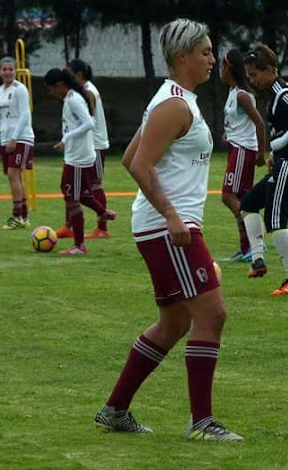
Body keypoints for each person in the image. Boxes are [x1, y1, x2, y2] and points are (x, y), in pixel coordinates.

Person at [94, 19, 243, 442]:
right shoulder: (174, 105)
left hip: (164, 225)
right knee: (212, 314)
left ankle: (115, 410)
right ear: (183, 57)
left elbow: (127, 157)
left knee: (174, 323)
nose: (213, 59)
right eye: (206, 52)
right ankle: (202, 423)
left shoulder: (176, 101)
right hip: (169, 227)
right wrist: (173, 215)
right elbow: (139, 165)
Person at [241, 45, 288, 296]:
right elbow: (283, 127)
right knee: (249, 203)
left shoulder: (282, 91)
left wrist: (280, 145)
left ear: (271, 70)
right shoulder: (273, 94)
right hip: (286, 160)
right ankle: (258, 260)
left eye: (254, 75)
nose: (252, 81)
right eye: (248, 76)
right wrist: (274, 153)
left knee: (275, 220)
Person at [44, 68, 116, 256]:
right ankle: (103, 212)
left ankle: (79, 246)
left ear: (59, 85)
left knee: (71, 198)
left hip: (78, 157)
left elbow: (89, 123)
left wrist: (66, 139)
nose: (52, 94)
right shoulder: (70, 98)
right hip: (77, 155)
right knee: (82, 193)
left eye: (52, 89)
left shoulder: (74, 99)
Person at [219, 48, 266, 262]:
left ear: (229, 67)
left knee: (228, 197)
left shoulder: (241, 95)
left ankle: (256, 244)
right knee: (243, 199)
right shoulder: (233, 93)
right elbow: (240, 123)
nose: (219, 69)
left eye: (222, 65)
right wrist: (227, 133)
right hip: (237, 148)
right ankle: (248, 248)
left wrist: (261, 153)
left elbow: (260, 124)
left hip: (242, 151)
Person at [58, 59, 112, 239]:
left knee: (93, 186)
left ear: (78, 75)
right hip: (85, 145)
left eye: (69, 73)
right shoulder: (79, 92)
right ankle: (69, 226)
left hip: (94, 144)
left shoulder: (88, 91)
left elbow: (90, 120)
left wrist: (70, 137)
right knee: (72, 187)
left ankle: (102, 227)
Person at [0, 56, 35, 230]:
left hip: (21, 137)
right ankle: (24, 217)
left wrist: (14, 138)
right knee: (14, 176)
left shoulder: (20, 89)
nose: (8, 72)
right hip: (5, 138)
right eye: (5, 69)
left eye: (11, 69)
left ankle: (17, 215)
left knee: (13, 174)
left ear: (15, 71)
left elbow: (25, 114)